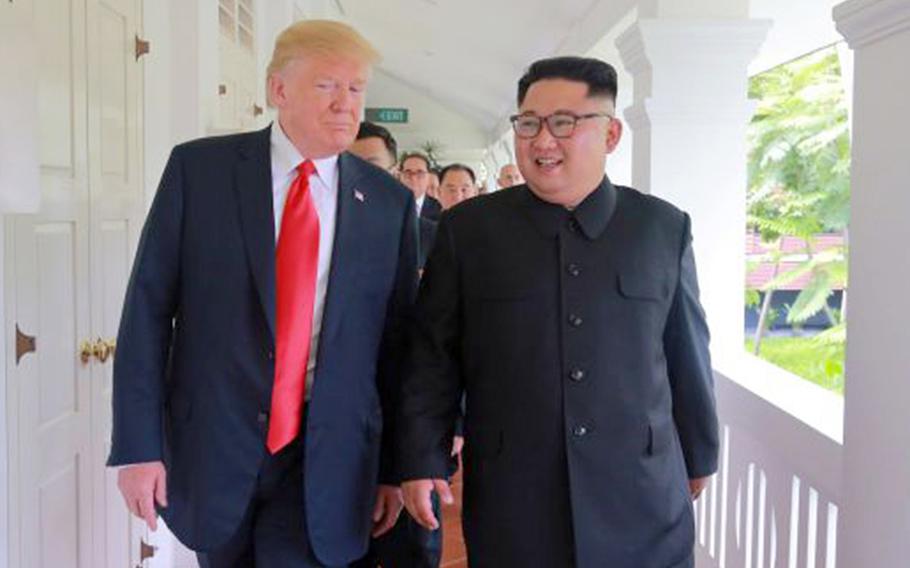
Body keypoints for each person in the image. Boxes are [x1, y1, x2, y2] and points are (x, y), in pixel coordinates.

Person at [108, 20, 418, 568]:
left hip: (327, 458)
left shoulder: (388, 204)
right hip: (213, 445)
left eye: (356, 88)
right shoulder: (199, 170)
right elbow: (148, 314)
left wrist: (394, 466)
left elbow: (395, 346)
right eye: (327, 86)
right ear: (279, 90)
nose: (346, 104)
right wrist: (137, 448)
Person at [397, 56, 718, 568]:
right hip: (515, 493)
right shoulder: (471, 231)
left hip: (640, 490)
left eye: (564, 123)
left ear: (611, 134)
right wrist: (418, 457)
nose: (542, 141)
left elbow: (685, 351)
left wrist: (701, 452)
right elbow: (433, 354)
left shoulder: (660, 227)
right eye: (529, 124)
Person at [400, 152, 442, 221]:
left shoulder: (439, 209)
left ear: (428, 177)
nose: (413, 178)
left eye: (420, 173)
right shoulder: (389, 205)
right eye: (408, 173)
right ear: (400, 176)